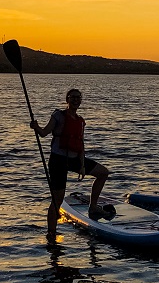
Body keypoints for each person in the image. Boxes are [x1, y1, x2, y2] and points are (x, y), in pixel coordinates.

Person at [31, 88, 110, 241]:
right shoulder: (58, 116)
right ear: (67, 99)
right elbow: (44, 133)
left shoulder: (80, 121)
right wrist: (36, 127)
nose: (75, 100)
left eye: (78, 97)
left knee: (103, 173)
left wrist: (81, 165)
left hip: (74, 159)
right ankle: (52, 233)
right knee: (57, 199)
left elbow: (80, 144)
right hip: (58, 160)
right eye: (72, 97)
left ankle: (93, 207)